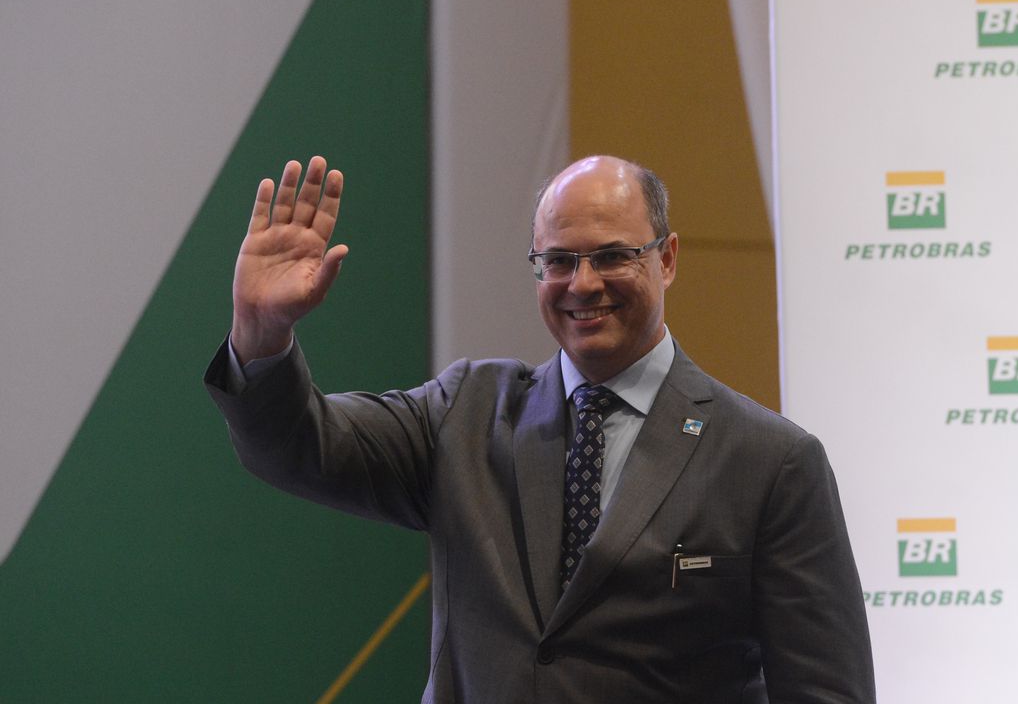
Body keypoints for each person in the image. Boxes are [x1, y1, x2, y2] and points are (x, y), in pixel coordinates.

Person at [205, 154, 875, 703]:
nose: (583, 283)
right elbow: (297, 447)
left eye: (613, 255)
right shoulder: (464, 414)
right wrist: (262, 329)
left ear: (667, 258)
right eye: (558, 260)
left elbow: (827, 694)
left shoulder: (772, 463)